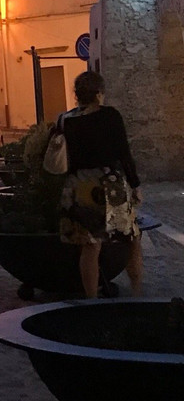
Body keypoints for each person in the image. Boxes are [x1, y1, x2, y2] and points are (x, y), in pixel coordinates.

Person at [52, 70, 143, 299]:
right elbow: (124, 153)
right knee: (131, 238)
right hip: (110, 186)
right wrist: (135, 185)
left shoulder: (65, 119)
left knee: (90, 246)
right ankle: (138, 292)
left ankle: (92, 299)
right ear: (99, 93)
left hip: (79, 188)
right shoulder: (110, 116)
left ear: (77, 95)